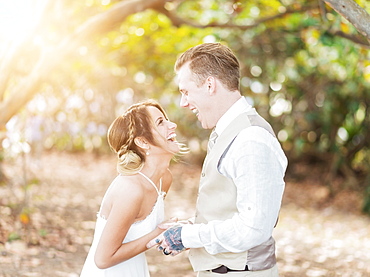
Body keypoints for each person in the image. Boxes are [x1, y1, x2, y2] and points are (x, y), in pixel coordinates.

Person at [147, 43, 288, 276]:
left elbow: (254, 227)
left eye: (186, 91)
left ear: (210, 85)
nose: (183, 103)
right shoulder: (229, 131)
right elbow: (232, 210)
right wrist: (191, 226)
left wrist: (188, 237)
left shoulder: (251, 139)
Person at [80, 99, 185, 277]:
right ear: (143, 142)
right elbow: (103, 259)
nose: (172, 125)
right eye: (161, 122)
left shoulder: (164, 179)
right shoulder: (130, 189)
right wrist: (158, 234)